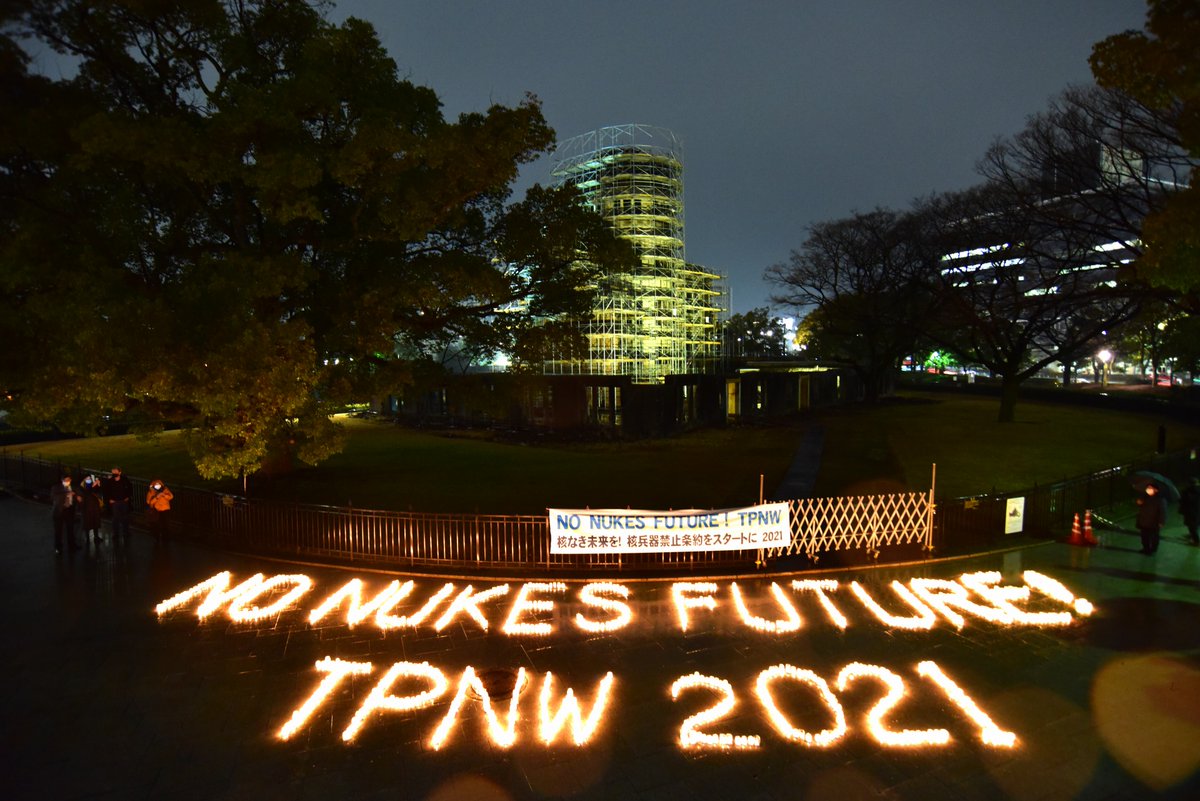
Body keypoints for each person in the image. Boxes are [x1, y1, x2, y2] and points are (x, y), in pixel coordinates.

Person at [51, 473, 81, 554]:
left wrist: (77, 497)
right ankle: (58, 547)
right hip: (59, 511)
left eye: (68, 480)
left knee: (70, 529)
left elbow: (77, 495)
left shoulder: (73, 487)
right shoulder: (56, 488)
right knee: (58, 530)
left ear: (70, 480)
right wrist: (67, 493)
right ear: (62, 480)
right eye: (65, 480)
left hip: (70, 510)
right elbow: (54, 497)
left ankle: (72, 545)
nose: (67, 482)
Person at [1135, 482, 1168, 555]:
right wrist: (1139, 503)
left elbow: (1163, 512)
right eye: (1148, 488)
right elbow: (1140, 506)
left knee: (1153, 537)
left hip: (1154, 522)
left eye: (1150, 488)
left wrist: (1161, 522)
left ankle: (1153, 549)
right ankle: (1146, 548)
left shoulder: (1160, 500)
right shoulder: (1145, 497)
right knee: (1144, 536)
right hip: (1144, 520)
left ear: (1156, 490)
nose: (1148, 489)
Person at [104, 466, 133, 545]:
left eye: (115, 472)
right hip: (115, 502)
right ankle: (116, 533)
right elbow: (106, 491)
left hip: (124, 501)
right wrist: (109, 499)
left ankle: (126, 532)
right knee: (115, 518)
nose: (114, 473)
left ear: (120, 472)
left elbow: (130, 488)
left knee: (125, 517)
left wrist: (128, 497)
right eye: (113, 472)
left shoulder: (125, 480)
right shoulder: (109, 481)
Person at [80, 474, 105, 544]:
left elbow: (98, 492)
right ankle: (87, 539)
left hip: (95, 506)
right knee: (87, 523)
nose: (89, 480)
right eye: (87, 478)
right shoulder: (82, 486)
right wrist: (93, 486)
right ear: (84, 479)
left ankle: (96, 537)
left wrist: (98, 485)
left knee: (95, 522)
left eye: (89, 478)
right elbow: (86, 493)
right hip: (87, 508)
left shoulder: (92, 484)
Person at [1180, 477, 1200, 546]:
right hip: (1195, 511)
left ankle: (1196, 540)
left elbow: (1184, 501)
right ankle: (1193, 537)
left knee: (1192, 526)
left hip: (1190, 512)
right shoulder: (1191, 491)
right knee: (1194, 525)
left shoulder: (1187, 491)